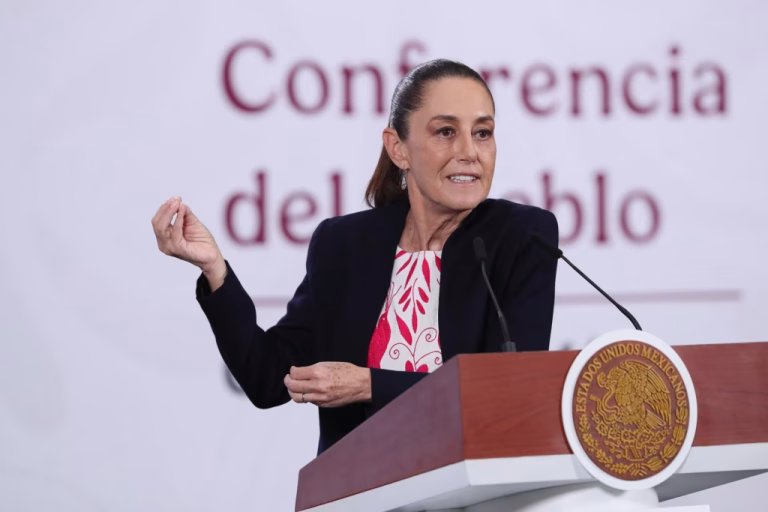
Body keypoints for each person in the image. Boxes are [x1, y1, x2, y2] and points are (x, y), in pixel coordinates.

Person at [151, 59, 559, 455]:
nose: (469, 151)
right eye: (446, 132)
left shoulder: (523, 236)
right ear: (398, 148)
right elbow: (266, 378)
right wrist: (214, 269)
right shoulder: (343, 245)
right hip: (361, 488)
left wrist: (369, 385)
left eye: (483, 132)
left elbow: (508, 394)